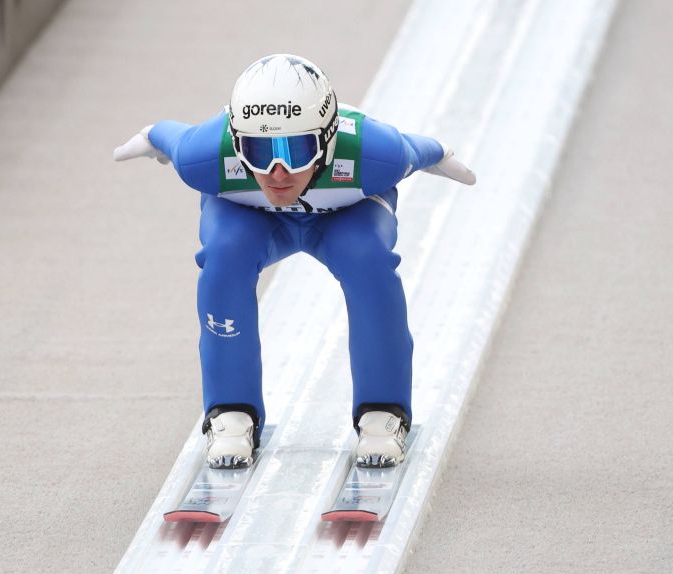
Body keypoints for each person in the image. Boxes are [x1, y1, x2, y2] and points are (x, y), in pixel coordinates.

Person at [114, 54, 475, 470]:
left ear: (327, 139)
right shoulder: (203, 157)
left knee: (368, 258)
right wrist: (151, 136)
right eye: (258, 151)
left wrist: (440, 152)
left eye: (296, 150)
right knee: (224, 253)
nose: (278, 172)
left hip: (346, 218)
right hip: (252, 220)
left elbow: (415, 149)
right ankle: (230, 411)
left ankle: (383, 408)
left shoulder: (376, 155)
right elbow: (173, 138)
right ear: (235, 141)